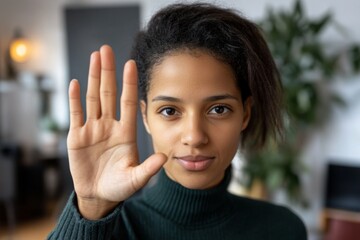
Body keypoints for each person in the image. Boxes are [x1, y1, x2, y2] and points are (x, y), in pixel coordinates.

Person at [48, 3, 307, 240]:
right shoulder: (108, 229)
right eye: (170, 111)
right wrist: (92, 207)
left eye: (218, 109)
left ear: (245, 114)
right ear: (145, 117)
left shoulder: (282, 229)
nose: (194, 136)